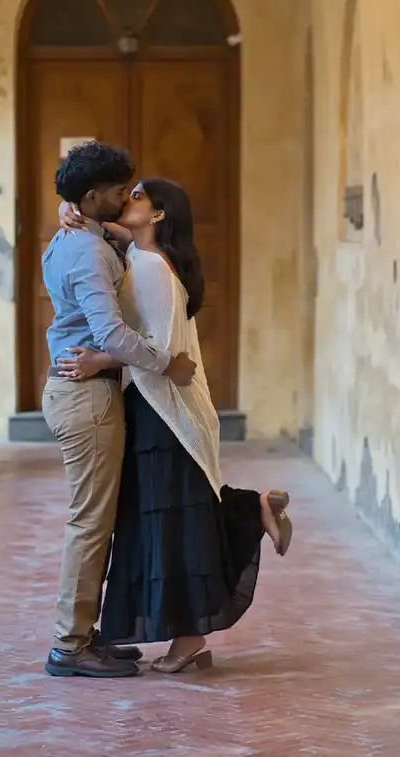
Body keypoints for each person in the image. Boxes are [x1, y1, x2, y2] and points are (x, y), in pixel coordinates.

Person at [57, 177, 293, 674]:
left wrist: (99, 360)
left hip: (164, 409)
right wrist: (72, 209)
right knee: (177, 518)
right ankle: (255, 510)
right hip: (157, 404)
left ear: (159, 215)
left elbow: (156, 346)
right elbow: (110, 233)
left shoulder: (151, 269)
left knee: (172, 527)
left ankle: (188, 640)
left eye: (138, 195)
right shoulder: (140, 258)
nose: (127, 199)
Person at [41, 143, 198, 680]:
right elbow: (108, 332)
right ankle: (69, 645)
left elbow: (113, 238)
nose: (124, 196)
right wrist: (162, 360)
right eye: (116, 190)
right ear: (91, 196)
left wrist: (78, 213)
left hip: (89, 389)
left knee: (98, 520)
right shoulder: (84, 249)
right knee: (89, 522)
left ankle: (85, 636)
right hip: (85, 395)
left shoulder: (80, 235)